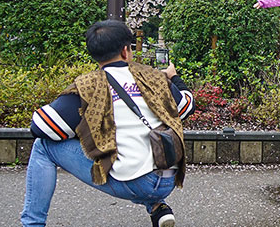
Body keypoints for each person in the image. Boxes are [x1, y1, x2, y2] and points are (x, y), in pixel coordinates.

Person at [21, 20, 194, 227]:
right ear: (125, 51)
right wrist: (173, 77)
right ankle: (158, 208)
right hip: (168, 179)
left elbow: (41, 127)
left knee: (43, 147)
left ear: (93, 53)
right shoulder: (153, 77)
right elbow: (186, 106)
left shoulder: (88, 85)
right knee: (136, 147)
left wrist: (83, 129)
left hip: (134, 182)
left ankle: (32, 224)